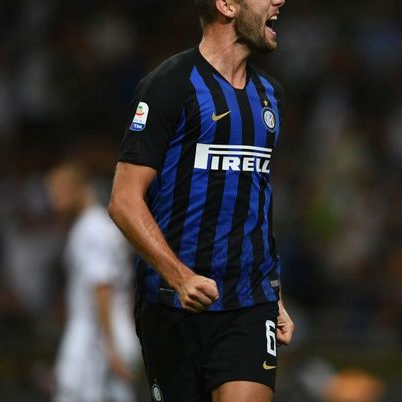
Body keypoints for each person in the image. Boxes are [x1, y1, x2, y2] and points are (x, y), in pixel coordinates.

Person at [108, 0, 295, 401]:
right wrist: (180, 277)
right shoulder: (169, 85)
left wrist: (274, 292)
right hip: (173, 304)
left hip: (249, 302)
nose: (278, 1)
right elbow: (123, 200)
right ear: (227, 5)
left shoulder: (270, 96)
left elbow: (255, 200)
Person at [48, 161, 140, 402]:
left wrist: (110, 347)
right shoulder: (93, 225)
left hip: (96, 339)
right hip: (100, 333)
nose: (53, 199)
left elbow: (102, 287)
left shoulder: (93, 229)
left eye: (58, 190)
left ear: (77, 188)